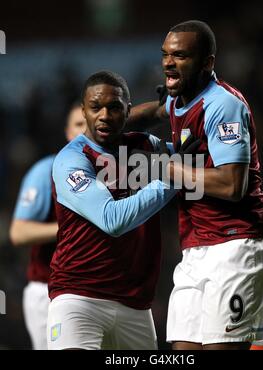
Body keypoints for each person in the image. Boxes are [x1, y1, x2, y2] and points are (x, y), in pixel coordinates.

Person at [128, 20, 263, 350]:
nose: (168, 62)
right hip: (197, 250)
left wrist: (167, 168)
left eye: (181, 55)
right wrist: (110, 121)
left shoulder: (223, 105)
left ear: (207, 62)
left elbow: (232, 184)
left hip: (239, 242)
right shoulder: (181, 99)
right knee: (182, 353)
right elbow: (156, 109)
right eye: (166, 55)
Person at [47, 70, 198, 350]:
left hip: (136, 306)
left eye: (114, 107)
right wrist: (173, 175)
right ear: (84, 111)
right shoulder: (73, 159)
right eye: (95, 107)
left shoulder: (142, 146)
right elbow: (112, 219)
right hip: (79, 300)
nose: (104, 115)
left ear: (127, 111)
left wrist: (184, 112)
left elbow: (195, 156)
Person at [9, 103, 86, 350]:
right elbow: (19, 232)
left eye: (89, 123)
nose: (85, 131)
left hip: (97, 291)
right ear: (67, 132)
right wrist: (69, 230)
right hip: (48, 289)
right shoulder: (47, 171)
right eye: (78, 124)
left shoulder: (113, 172)